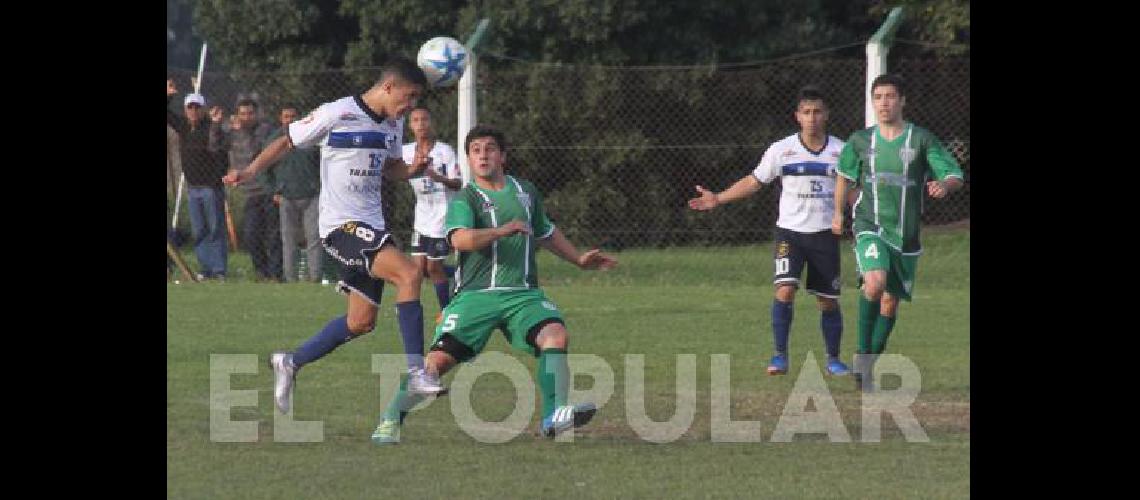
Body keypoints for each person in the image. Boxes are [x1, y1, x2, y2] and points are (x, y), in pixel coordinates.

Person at [371, 125, 618, 444]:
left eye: (489, 148)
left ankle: (554, 416)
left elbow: (544, 231)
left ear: (503, 155)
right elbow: (459, 239)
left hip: (523, 295)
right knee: (438, 362)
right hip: (475, 297)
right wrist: (501, 231)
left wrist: (578, 259)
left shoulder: (525, 191)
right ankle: (391, 419)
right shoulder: (466, 198)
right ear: (469, 159)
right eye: (475, 150)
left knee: (555, 335)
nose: (483, 155)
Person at [223, 57, 443, 414]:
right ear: (388, 87)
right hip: (341, 227)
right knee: (410, 273)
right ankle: (417, 371)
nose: (412, 105)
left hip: (371, 227)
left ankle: (290, 362)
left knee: (361, 322)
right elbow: (286, 141)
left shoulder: (393, 124)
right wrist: (249, 170)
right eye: (410, 95)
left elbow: (389, 168)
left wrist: (412, 169)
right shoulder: (336, 113)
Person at [688, 86, 850, 377]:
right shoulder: (782, 149)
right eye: (806, 112)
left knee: (826, 299)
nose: (812, 118)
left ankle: (834, 358)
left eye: (817, 112)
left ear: (826, 115)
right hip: (790, 234)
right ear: (797, 116)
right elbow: (754, 181)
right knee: (785, 289)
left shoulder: (842, 151)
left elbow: (852, 191)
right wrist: (719, 198)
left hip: (825, 235)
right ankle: (779, 356)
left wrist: (868, 213)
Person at [832, 74, 964, 392]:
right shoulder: (861, 141)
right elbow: (844, 177)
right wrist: (838, 212)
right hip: (870, 225)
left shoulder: (920, 139)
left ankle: (869, 364)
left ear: (902, 101)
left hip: (905, 235)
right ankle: (862, 357)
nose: (884, 102)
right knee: (874, 284)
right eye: (878, 97)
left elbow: (953, 173)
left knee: (890, 304)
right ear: (872, 102)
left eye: (890, 96)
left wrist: (943, 185)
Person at [212, 98, 281, 282]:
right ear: (237, 114)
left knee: (273, 234)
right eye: (243, 114)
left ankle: (276, 273)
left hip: (268, 188)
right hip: (249, 192)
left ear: (256, 114)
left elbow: (265, 151)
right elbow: (215, 146)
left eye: (250, 113)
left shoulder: (266, 130)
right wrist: (217, 125)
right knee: (251, 234)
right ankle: (261, 271)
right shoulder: (233, 133)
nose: (246, 117)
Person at [167, 78, 229, 280]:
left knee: (214, 229)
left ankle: (219, 269)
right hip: (193, 188)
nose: (193, 111)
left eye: (197, 108)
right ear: (185, 110)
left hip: (210, 188)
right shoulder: (185, 128)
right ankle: (206, 268)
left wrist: (216, 124)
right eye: (190, 108)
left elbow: (220, 152)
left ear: (203, 110)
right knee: (200, 230)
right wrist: (169, 96)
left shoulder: (210, 128)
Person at [402, 106, 462, 313]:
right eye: (416, 120)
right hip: (422, 217)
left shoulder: (444, 151)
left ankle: (447, 310)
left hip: (443, 216)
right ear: (410, 125)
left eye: (424, 120)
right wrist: (413, 170)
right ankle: (410, 308)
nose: (420, 124)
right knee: (417, 269)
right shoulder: (406, 151)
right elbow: (397, 173)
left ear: (431, 123)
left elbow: (457, 183)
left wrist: (438, 177)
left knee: (433, 267)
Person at [267, 106, 323, 282]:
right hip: (286, 196)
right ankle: (290, 279)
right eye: (286, 116)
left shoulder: (311, 138)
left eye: (293, 116)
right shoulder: (273, 139)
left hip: (311, 195)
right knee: (288, 240)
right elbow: (263, 169)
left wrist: (320, 188)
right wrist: (273, 190)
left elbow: (323, 165)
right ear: (280, 118)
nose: (289, 119)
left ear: (299, 117)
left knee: (314, 238)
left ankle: (315, 278)